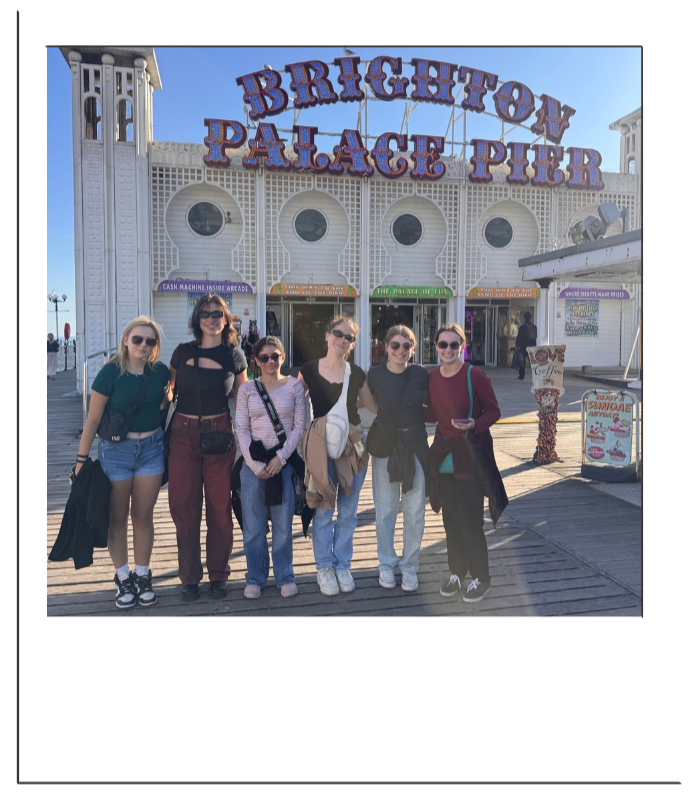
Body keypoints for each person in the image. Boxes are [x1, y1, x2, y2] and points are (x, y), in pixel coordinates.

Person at [75, 316, 171, 609]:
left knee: (143, 517)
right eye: (138, 339)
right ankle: (122, 577)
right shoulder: (109, 374)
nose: (144, 345)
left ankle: (142, 575)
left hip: (151, 449)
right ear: (126, 339)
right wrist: (81, 460)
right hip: (115, 452)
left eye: (150, 341)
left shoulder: (160, 372)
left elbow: (165, 401)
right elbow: (92, 419)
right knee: (118, 518)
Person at [168, 293, 248, 602]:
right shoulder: (182, 351)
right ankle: (189, 577)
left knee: (219, 507)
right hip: (182, 434)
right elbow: (168, 391)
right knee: (183, 508)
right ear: (196, 319)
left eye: (218, 313)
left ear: (226, 319)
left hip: (219, 434)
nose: (212, 318)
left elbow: (244, 400)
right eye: (205, 313)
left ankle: (218, 574)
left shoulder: (234, 355)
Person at [426, 323, 508, 604]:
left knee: (470, 521)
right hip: (443, 456)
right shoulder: (433, 377)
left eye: (454, 344)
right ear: (435, 347)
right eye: (442, 344)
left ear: (462, 346)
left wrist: (474, 423)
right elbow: (432, 411)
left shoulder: (475, 375)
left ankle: (480, 577)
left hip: (469, 456)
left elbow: (494, 411)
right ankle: (457, 572)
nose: (448, 349)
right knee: (451, 520)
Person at [297, 315, 377, 596]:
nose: (342, 340)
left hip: (352, 444)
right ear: (327, 336)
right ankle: (325, 567)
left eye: (349, 337)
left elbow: (371, 406)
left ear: (352, 344)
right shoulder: (308, 369)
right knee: (323, 508)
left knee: (348, 510)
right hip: (321, 445)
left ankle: (343, 564)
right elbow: (294, 400)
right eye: (338, 334)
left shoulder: (355, 373)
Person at [235, 336, 306, 599]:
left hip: (282, 464)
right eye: (264, 357)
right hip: (254, 464)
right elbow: (241, 427)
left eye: (275, 356)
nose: (270, 361)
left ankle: (285, 574)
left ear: (283, 358)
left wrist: (281, 458)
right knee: (253, 526)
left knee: (283, 525)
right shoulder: (247, 390)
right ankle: (255, 576)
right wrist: (255, 465)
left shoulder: (294, 387)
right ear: (256, 361)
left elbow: (299, 427)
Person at [367, 325, 430, 592]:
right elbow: (360, 403)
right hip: (386, 446)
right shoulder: (375, 374)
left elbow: (436, 402)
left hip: (415, 444)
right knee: (385, 509)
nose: (401, 350)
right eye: (395, 345)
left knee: (414, 510)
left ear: (413, 349)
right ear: (386, 348)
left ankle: (409, 566)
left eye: (406, 346)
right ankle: (386, 563)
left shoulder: (420, 374)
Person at [514, 311, 537, 380]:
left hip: (524, 346)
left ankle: (522, 375)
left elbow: (520, 337)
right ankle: (536, 374)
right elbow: (535, 337)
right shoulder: (534, 327)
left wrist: (517, 345)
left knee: (522, 360)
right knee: (532, 361)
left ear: (524, 318)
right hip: (532, 345)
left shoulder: (523, 327)